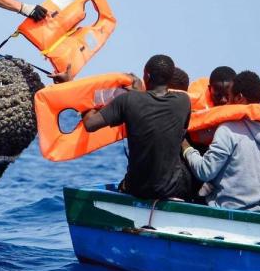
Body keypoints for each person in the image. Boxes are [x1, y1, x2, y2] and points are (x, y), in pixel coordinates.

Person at [81, 55, 193, 200]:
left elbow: (90, 124)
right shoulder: (184, 102)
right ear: (170, 78)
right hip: (172, 189)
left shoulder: (127, 100)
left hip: (137, 189)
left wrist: (83, 101)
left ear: (146, 75)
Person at [182, 70, 260, 211]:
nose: (225, 102)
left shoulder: (227, 130)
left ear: (239, 97)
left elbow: (204, 172)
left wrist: (186, 148)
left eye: (228, 96)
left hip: (224, 209)